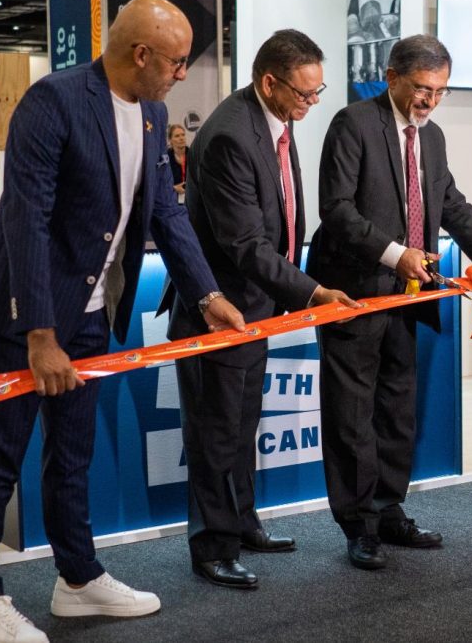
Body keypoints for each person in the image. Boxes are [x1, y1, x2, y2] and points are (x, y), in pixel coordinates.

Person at [0, 0, 245, 643]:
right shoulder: (53, 101)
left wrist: (206, 294)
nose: (181, 74)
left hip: (91, 314)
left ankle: (78, 578)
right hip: (24, 314)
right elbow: (26, 218)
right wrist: (40, 333)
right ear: (140, 54)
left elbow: (165, 212)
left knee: (72, 453)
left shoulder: (153, 113)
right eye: (176, 62)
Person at [158, 29, 359, 591]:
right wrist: (313, 292)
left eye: (317, 93)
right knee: (215, 436)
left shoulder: (273, 121)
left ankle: (242, 524)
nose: (311, 103)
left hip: (256, 309)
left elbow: (281, 218)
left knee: (241, 427)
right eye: (304, 93)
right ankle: (213, 547)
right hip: (218, 312)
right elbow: (246, 244)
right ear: (270, 82)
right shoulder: (229, 135)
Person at [307, 34, 472, 570]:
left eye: (441, 91)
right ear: (392, 77)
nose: (430, 100)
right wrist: (395, 254)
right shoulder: (353, 123)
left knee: (396, 408)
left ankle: (388, 509)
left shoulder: (434, 136)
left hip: (408, 295)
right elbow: (337, 209)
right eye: (423, 88)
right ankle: (358, 525)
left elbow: (451, 204)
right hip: (353, 292)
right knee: (352, 415)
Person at [167, 123, 188, 203]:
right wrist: (174, 188)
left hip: (191, 200)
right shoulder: (165, 159)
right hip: (171, 200)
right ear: (170, 140)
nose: (181, 138)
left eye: (183, 135)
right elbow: (160, 184)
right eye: (177, 136)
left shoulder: (193, 154)